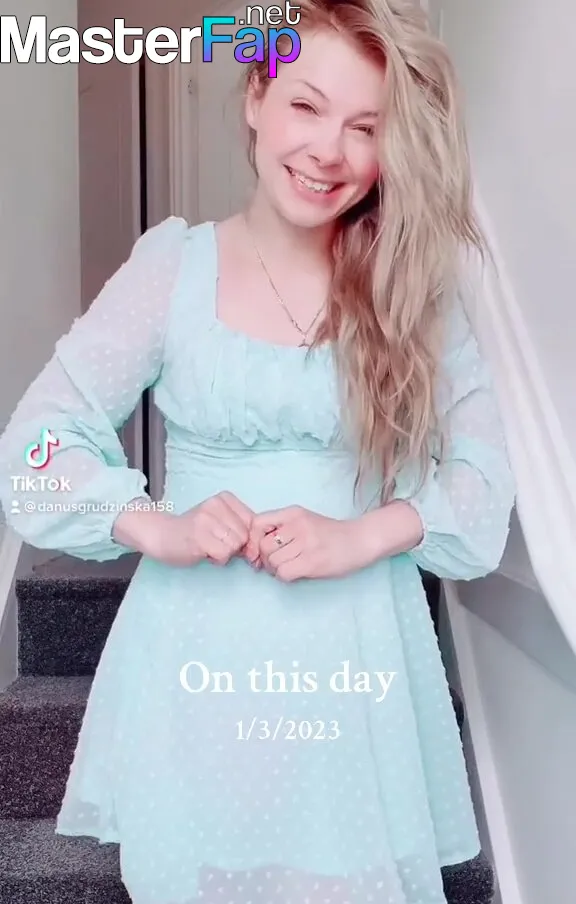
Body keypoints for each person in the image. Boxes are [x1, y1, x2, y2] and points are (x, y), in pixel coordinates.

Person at [0, 1, 515, 902]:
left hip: (356, 660)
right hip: (196, 655)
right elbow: (31, 453)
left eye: (366, 127)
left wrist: (364, 533)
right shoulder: (172, 268)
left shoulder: (410, 288)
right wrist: (155, 524)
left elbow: (482, 491)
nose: (329, 151)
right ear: (254, 97)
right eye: (306, 106)